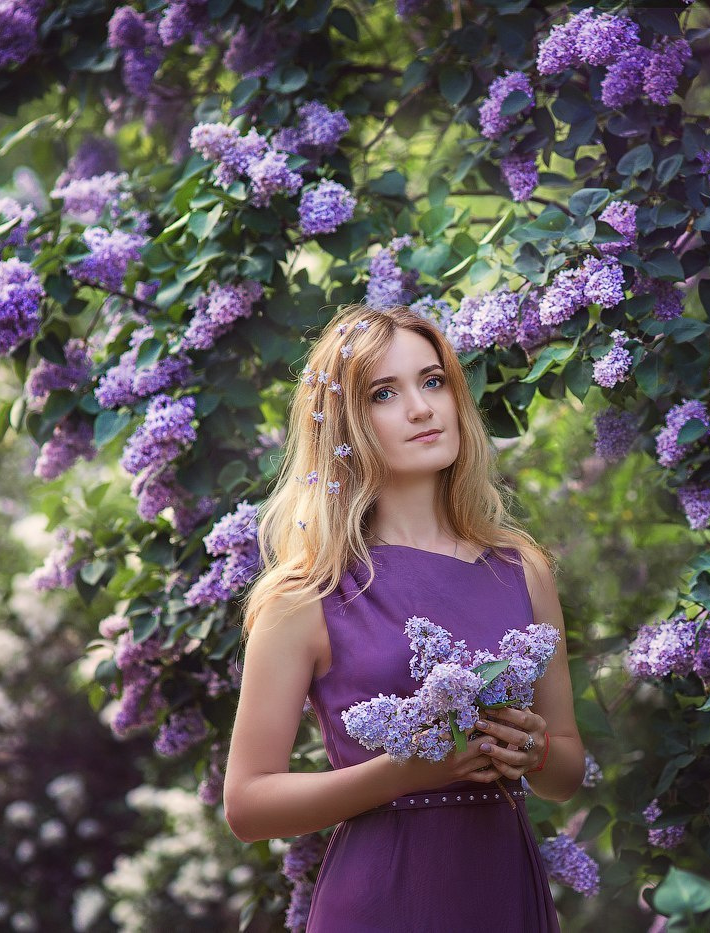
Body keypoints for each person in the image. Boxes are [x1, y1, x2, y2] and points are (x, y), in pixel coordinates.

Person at [223, 303, 585, 931]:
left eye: (434, 380)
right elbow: (248, 805)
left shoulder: (521, 568)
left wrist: (532, 749)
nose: (421, 408)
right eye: (384, 393)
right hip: (382, 900)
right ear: (343, 424)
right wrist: (405, 772)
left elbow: (567, 771)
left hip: (502, 892)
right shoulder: (307, 593)